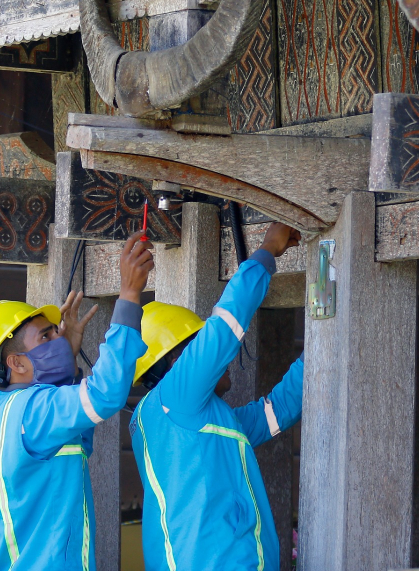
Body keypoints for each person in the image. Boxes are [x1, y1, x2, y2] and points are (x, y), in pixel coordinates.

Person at [0, 231, 154, 571]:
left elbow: (75, 438)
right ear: (17, 363)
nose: (59, 336)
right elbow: (105, 394)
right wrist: (128, 295)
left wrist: (62, 365)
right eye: (46, 336)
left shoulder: (0, 410)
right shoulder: (35, 411)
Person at [131, 222, 305, 571]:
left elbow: (280, 409)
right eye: (197, 346)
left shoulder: (194, 421)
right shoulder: (175, 398)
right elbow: (226, 324)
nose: (222, 361)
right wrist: (267, 249)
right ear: (177, 361)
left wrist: (324, 340)